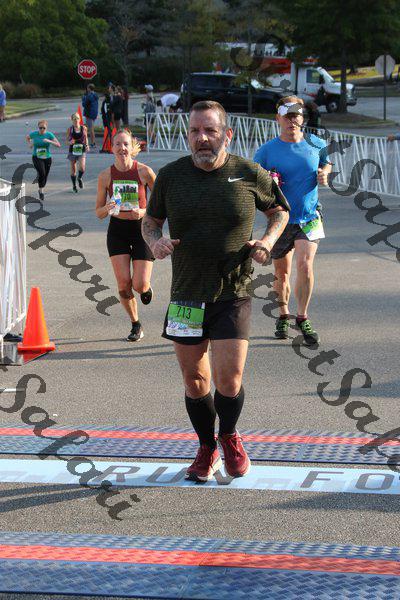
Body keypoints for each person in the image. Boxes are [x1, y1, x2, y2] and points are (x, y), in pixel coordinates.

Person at [142, 100, 289, 482]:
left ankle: (229, 435)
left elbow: (279, 211)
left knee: (229, 380)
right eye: (195, 131)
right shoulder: (171, 176)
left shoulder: (249, 173)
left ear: (227, 134)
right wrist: (155, 242)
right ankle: (207, 447)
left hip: (232, 292)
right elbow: (150, 221)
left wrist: (268, 241)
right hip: (186, 295)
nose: (202, 138)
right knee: (195, 381)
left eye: (210, 130)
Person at [254, 96, 332, 346]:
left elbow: (326, 163)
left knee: (305, 266)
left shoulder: (316, 143)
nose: (292, 121)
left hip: (309, 216)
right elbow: (254, 183)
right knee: (282, 272)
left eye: (296, 115)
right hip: (280, 220)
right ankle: (283, 314)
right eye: (287, 116)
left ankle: (302, 317)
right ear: (278, 118)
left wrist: (324, 174)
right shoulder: (266, 151)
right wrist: (267, 183)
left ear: (302, 118)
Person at [96, 129, 156, 342]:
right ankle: (135, 323)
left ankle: (146, 287)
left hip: (141, 230)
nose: (122, 148)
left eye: (125, 144)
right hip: (117, 231)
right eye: (118, 144)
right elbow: (99, 213)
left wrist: (144, 211)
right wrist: (108, 207)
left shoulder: (145, 172)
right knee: (123, 284)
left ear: (132, 147)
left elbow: (161, 203)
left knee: (139, 285)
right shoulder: (105, 176)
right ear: (112, 148)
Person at [26, 119, 61, 200]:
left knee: (45, 174)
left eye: (44, 128)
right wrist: (30, 144)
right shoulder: (34, 134)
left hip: (47, 157)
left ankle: (41, 187)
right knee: (42, 172)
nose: (42, 129)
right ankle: (41, 191)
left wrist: (49, 141)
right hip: (36, 157)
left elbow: (58, 145)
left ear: (46, 128)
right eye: (40, 128)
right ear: (38, 127)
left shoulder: (49, 135)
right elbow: (27, 137)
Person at [66, 113, 89, 193]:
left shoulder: (84, 128)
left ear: (80, 119)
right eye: (74, 119)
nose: (76, 120)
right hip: (72, 150)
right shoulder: (70, 129)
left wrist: (87, 145)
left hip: (81, 149)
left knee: (82, 168)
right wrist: (70, 142)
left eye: (78, 118)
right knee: (73, 170)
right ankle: (74, 186)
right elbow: (66, 141)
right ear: (72, 120)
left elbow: (86, 137)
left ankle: (79, 178)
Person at [82, 83, 99, 148]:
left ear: (89, 88)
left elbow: (84, 104)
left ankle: (93, 143)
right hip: (94, 113)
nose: (87, 89)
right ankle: (90, 142)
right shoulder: (95, 95)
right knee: (89, 128)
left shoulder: (89, 96)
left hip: (89, 114)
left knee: (91, 129)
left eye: (87, 88)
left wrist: (84, 98)